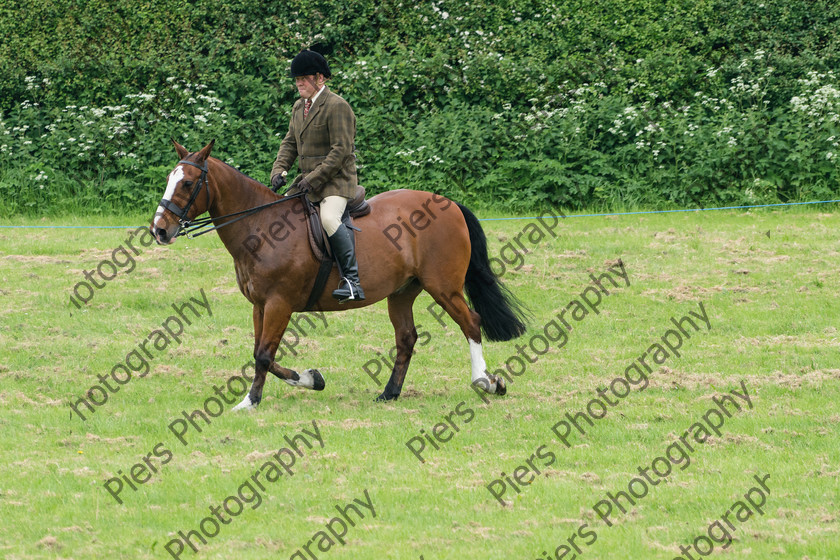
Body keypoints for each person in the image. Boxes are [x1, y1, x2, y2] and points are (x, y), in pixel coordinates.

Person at [271, 49, 365, 302]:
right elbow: (290, 142)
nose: (299, 82)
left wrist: (312, 179)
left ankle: (352, 281)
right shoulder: (299, 106)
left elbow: (341, 151)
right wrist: (278, 170)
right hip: (307, 182)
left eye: (304, 77)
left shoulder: (337, 106)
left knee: (329, 218)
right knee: (279, 210)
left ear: (320, 79)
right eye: (297, 78)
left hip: (335, 182)